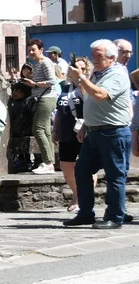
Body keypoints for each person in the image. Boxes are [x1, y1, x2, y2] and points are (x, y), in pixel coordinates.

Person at [65, 40, 132, 229]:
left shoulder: (117, 74)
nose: (94, 59)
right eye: (93, 55)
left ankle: (116, 216)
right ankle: (86, 213)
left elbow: (100, 95)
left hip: (113, 132)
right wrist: (85, 124)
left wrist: (80, 78)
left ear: (111, 58)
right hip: (94, 131)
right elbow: (90, 100)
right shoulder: (97, 73)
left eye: (99, 56)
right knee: (82, 170)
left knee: (114, 175)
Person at [55, 57, 92, 212]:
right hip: (66, 132)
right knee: (66, 167)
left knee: (86, 167)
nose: (79, 70)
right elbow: (59, 110)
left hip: (84, 132)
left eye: (83, 68)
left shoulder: (88, 85)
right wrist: (55, 130)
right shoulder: (65, 87)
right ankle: (77, 194)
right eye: (76, 68)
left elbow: (90, 103)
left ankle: (82, 199)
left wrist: (81, 80)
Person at [23, 39, 60, 174]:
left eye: (33, 49)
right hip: (42, 98)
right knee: (45, 130)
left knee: (37, 129)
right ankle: (49, 162)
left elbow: (52, 81)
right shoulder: (37, 64)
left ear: (41, 50)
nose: (31, 52)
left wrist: (35, 84)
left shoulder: (45, 62)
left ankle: (48, 162)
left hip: (46, 98)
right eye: (29, 50)